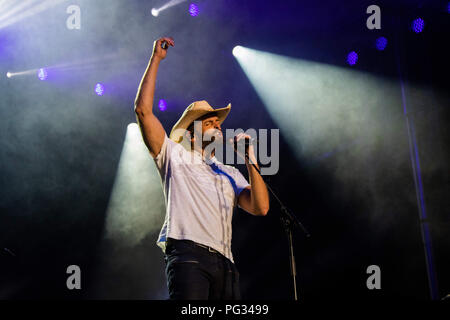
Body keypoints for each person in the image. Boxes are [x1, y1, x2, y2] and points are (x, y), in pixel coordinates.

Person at [134, 37, 270, 300]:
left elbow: (260, 207)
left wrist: (250, 158)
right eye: (209, 123)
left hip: (226, 264)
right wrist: (156, 60)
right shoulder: (174, 155)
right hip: (188, 256)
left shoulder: (230, 172)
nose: (218, 125)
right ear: (193, 135)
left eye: (218, 123)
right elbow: (143, 111)